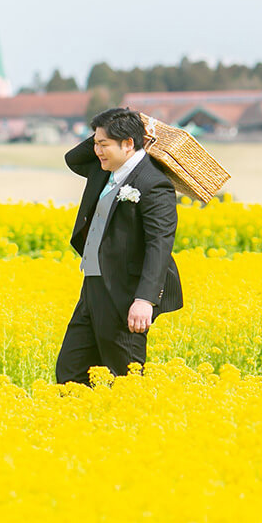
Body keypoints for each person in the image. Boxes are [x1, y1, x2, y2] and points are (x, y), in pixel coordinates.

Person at [55, 107, 183, 385]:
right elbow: (72, 158)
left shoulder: (154, 183)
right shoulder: (103, 170)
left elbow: (159, 244)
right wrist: (112, 125)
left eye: (103, 144)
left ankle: (128, 425)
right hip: (93, 286)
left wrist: (145, 300)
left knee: (123, 376)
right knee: (70, 373)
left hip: (126, 294)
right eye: (96, 143)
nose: (97, 150)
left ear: (128, 144)